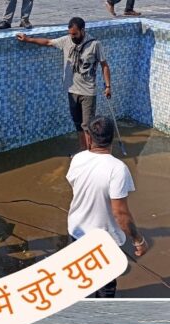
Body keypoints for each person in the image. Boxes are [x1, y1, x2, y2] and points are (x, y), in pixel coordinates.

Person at [66, 116, 148, 297]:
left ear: (89, 137)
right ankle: (102, 322)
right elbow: (120, 213)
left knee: (82, 282)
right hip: (105, 241)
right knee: (105, 290)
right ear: (112, 138)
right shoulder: (118, 169)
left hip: (77, 232)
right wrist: (138, 239)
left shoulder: (77, 159)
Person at [16, 17, 111, 151]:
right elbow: (48, 42)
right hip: (72, 91)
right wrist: (28, 39)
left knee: (87, 126)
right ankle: (82, 151)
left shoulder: (95, 44)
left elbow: (104, 65)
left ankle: (91, 153)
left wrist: (108, 86)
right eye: (70, 33)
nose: (72, 36)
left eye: (75, 34)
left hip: (88, 92)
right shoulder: (66, 40)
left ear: (83, 30)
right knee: (78, 124)